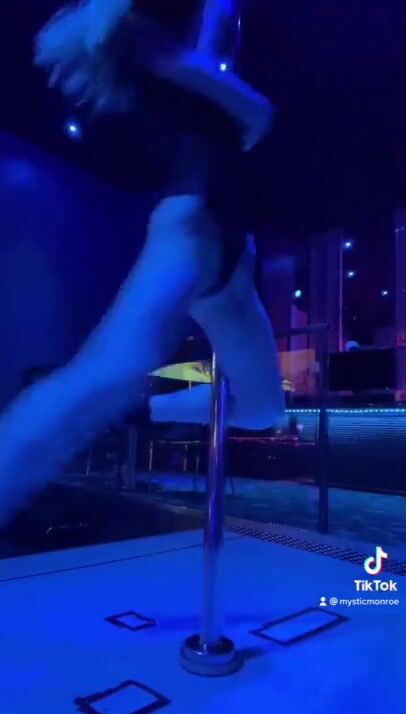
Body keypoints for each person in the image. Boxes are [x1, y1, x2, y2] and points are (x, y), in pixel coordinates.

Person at [0, 0, 284, 526]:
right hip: (189, 226)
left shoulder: (193, 56)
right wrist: (238, 103)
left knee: (264, 407)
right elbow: (255, 114)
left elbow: (245, 112)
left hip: (233, 252)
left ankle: (145, 408)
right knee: (102, 375)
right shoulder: (145, 38)